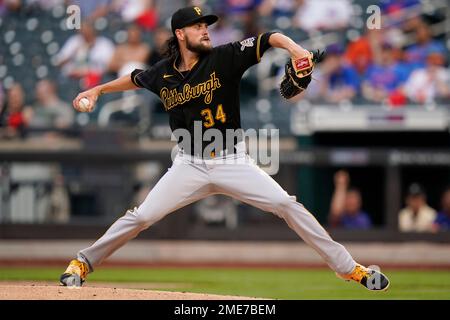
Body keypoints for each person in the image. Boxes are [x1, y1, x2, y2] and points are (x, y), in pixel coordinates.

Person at [59, 6, 389, 291]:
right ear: (180, 34)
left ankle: (349, 268)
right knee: (142, 216)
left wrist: (295, 49)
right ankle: (83, 263)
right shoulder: (163, 73)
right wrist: (98, 91)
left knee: (287, 205)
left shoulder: (224, 57)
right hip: (188, 163)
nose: (205, 30)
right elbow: (134, 77)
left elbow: (268, 37)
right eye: (198, 26)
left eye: (207, 26)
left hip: (233, 160)